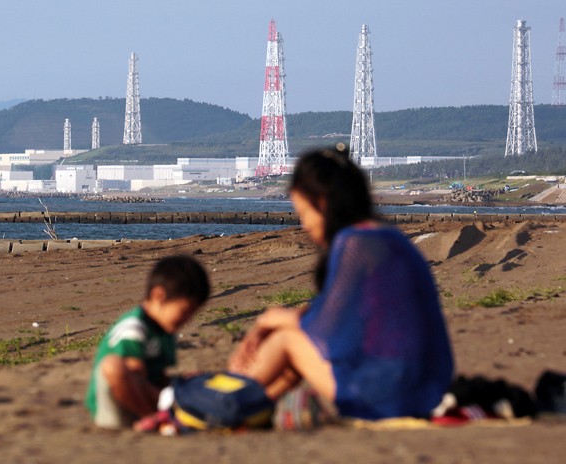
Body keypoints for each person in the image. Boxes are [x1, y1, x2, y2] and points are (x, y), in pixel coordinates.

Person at [229, 144, 454, 420]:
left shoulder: (355, 243)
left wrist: (270, 320)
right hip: (425, 387)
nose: (304, 225)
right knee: (290, 354)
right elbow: (338, 312)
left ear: (322, 203)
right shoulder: (385, 237)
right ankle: (248, 410)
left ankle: (221, 401)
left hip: (390, 392)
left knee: (286, 340)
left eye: (303, 214)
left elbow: (327, 330)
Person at [85, 255, 210, 428]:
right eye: (184, 311)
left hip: (147, 395)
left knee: (194, 380)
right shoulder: (133, 329)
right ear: (158, 296)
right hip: (116, 408)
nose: (187, 320)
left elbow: (160, 376)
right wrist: (168, 399)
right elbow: (134, 376)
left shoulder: (165, 331)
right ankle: (157, 417)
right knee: (114, 366)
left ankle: (163, 415)